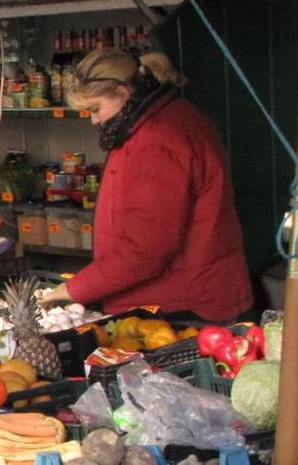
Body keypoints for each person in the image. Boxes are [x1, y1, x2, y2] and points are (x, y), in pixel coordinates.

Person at [37, 48, 252, 321]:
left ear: (123, 93)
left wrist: (73, 290)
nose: (94, 120)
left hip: (177, 304)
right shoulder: (161, 120)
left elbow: (146, 248)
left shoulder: (156, 140)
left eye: (96, 109)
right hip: (187, 293)